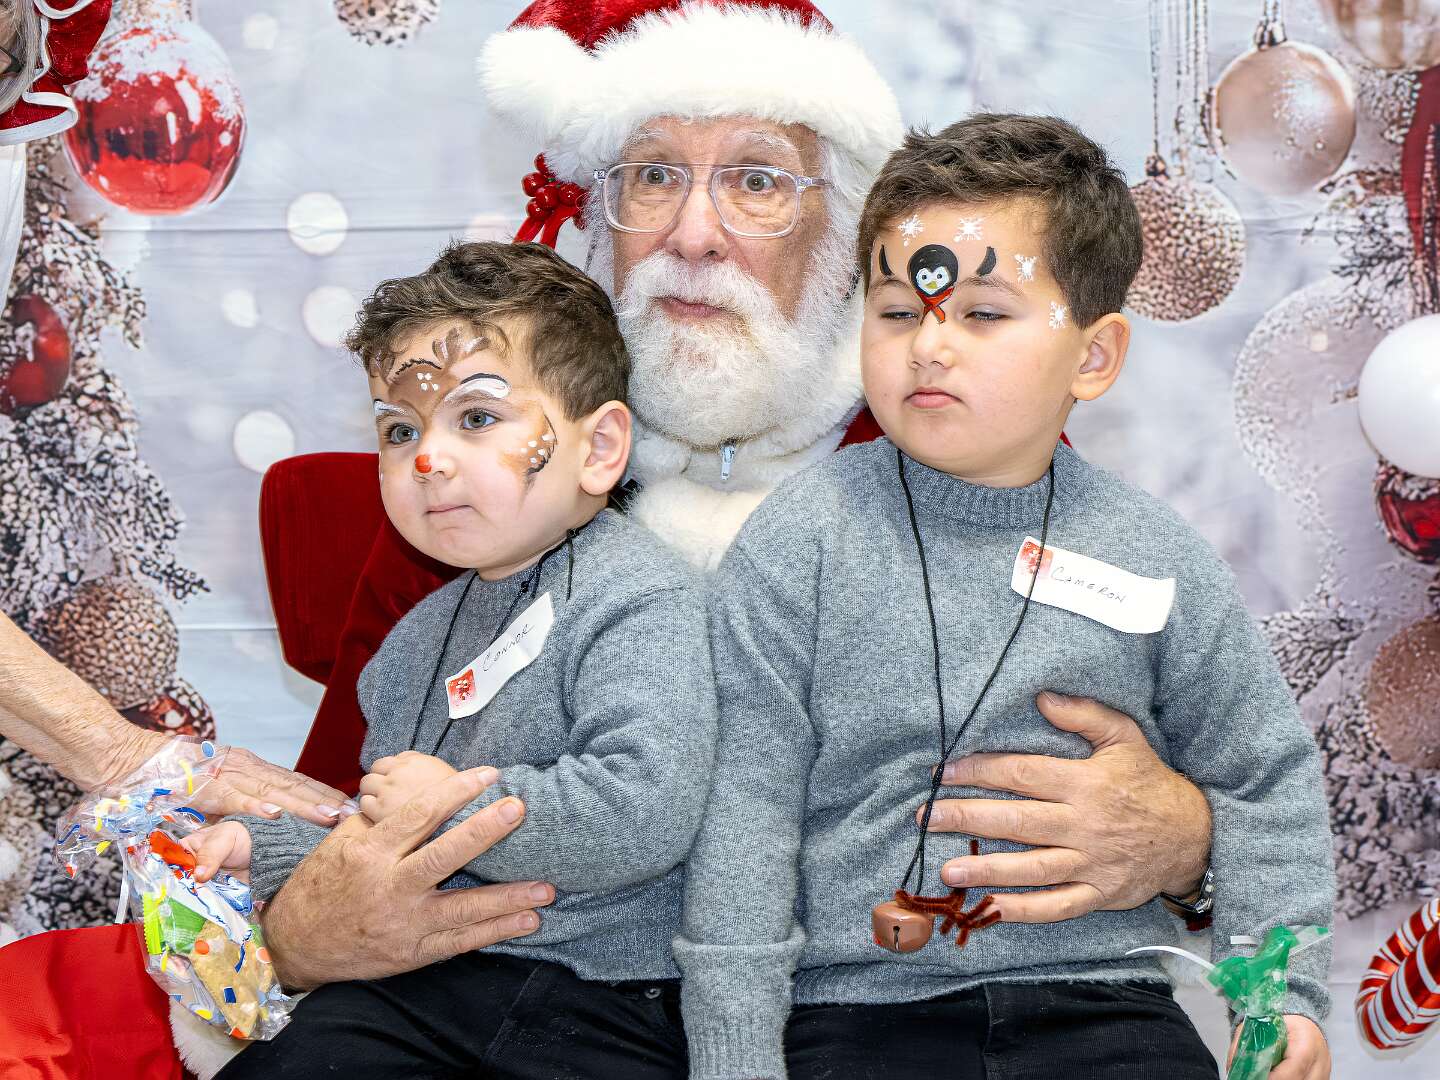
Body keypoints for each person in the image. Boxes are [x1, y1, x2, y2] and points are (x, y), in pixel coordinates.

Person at [259, 0, 1213, 995]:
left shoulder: (977, 462)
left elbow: (1226, 784)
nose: (692, 235)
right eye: (652, 176)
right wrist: (295, 941)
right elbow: (339, 812)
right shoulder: (477, 497)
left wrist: (1189, 842)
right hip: (523, 1010)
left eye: (758, 181)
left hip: (880, 1018)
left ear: (845, 239)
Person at [676, 115, 1336, 1080]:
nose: (929, 347)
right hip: (857, 1014)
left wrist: (1279, 997)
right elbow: (742, 818)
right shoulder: (797, 543)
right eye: (897, 312)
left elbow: (1263, 780)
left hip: (1107, 1006)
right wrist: (736, 1055)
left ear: (1094, 357)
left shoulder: (1159, 557)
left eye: (983, 314)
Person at [188, 240, 716, 1078]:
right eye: (400, 431)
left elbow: (643, 809)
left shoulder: (642, 598)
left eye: (475, 418)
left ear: (599, 449)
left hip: (605, 997)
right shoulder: (410, 646)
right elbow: (378, 828)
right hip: (424, 976)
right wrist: (268, 848)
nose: (427, 460)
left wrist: (448, 807)